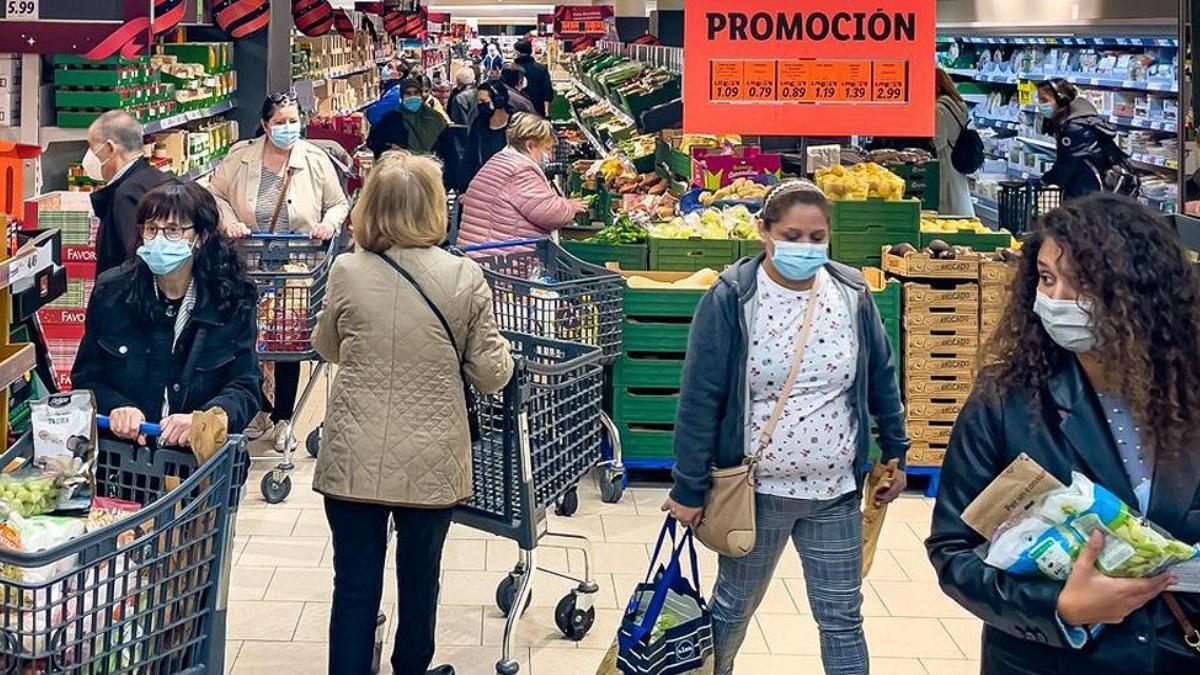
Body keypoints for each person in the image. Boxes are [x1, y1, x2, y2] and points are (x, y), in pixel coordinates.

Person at [927, 194, 1200, 673]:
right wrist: (1060, 609)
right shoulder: (1007, 401)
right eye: (1048, 279)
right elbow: (954, 551)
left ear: (1140, 291)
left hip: (1177, 650)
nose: (1055, 301)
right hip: (1049, 661)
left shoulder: (1190, 396)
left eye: (1083, 284)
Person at [661, 180, 910, 675]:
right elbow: (700, 399)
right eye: (792, 235)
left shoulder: (852, 294)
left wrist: (895, 452)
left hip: (835, 491)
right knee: (731, 610)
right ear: (764, 231)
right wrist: (689, 488)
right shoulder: (734, 297)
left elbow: (881, 377)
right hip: (754, 494)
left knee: (842, 618)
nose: (806, 247)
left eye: (817, 237)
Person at [312, 151, 514, 675]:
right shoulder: (464, 276)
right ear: (433, 208)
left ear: (370, 208)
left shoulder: (346, 271)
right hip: (431, 456)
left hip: (354, 454)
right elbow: (491, 375)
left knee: (353, 585)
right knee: (421, 578)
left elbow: (328, 346)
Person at [208, 92, 350, 451]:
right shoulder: (241, 158)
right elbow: (216, 196)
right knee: (248, 339)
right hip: (248, 264)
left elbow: (338, 204)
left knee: (288, 340)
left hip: (297, 269)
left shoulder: (315, 160)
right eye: (280, 122)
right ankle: (259, 406)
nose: (288, 128)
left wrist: (328, 225)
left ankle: (283, 417)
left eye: (293, 121)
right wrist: (231, 222)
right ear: (264, 124)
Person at [72, 180, 260, 446]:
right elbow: (86, 377)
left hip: (201, 464)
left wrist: (206, 418)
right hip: (127, 464)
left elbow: (245, 385)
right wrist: (117, 406)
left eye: (173, 230)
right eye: (151, 229)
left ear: (201, 236)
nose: (159, 240)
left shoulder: (232, 299)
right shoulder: (112, 292)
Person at [458, 113, 588, 247]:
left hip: (480, 249)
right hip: (501, 256)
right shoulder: (520, 171)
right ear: (530, 145)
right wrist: (570, 207)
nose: (549, 156)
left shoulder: (502, 159)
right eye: (547, 149)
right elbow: (549, 213)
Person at [84, 110, 169, 275]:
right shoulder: (157, 179)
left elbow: (131, 262)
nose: (90, 156)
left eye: (92, 148)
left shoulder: (127, 195)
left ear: (110, 148)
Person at [1037, 78, 1123, 200]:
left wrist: (1045, 180)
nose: (1040, 104)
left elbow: (1067, 164)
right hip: (1086, 188)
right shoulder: (1078, 121)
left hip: (1086, 192)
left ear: (1062, 100)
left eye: (1045, 100)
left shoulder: (1074, 128)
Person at [366, 78, 451, 157]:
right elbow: (373, 141)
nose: (412, 97)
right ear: (402, 96)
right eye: (408, 93)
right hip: (401, 169)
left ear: (421, 95)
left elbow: (447, 147)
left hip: (430, 169)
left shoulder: (436, 119)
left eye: (416, 93)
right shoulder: (391, 119)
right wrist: (389, 148)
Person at [934, 68, 976, 217]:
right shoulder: (959, 104)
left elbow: (938, 141)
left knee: (949, 204)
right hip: (957, 158)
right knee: (959, 197)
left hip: (946, 161)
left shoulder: (938, 109)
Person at [459, 81, 513, 188]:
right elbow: (469, 157)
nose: (480, 105)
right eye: (478, 102)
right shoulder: (479, 124)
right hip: (483, 185)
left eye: (483, 101)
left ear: (498, 101)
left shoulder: (515, 126)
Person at [513, 40, 552, 117]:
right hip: (537, 112)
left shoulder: (510, 70)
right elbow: (549, 95)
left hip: (516, 114)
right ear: (531, 52)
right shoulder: (541, 69)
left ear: (517, 53)